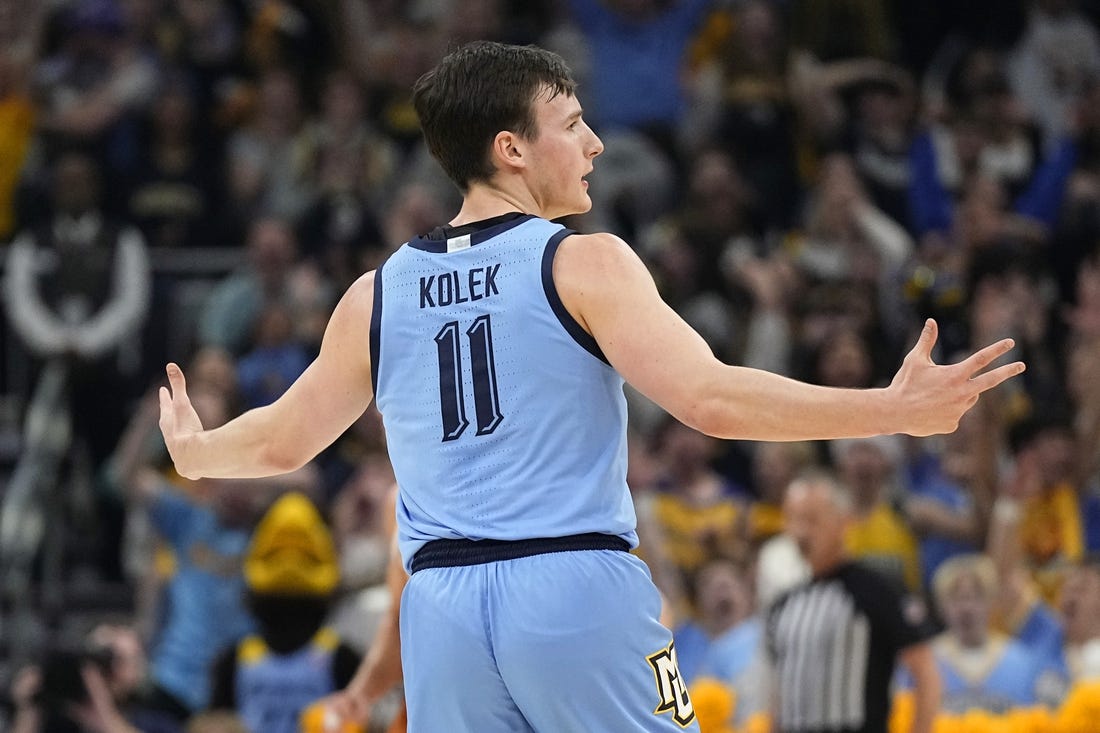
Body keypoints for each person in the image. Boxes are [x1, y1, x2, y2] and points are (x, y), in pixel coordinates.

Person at [158, 41, 1023, 733]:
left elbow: (281, 440)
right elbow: (709, 399)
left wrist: (197, 450)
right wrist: (892, 409)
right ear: (511, 149)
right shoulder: (583, 260)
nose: (595, 142)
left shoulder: (375, 294)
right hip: (574, 589)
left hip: (440, 614)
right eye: (572, 123)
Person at [769, 472, 941, 733]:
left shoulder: (876, 589)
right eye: (793, 519)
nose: (801, 532)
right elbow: (780, 694)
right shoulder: (784, 604)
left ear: (843, 522)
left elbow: (925, 672)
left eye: (812, 519)